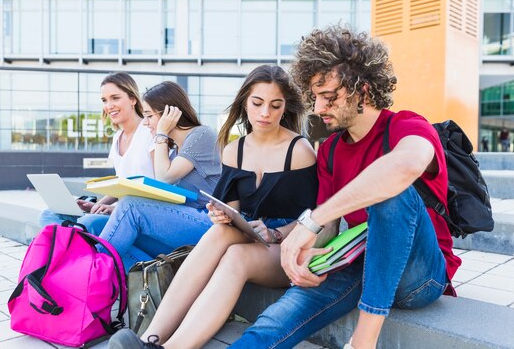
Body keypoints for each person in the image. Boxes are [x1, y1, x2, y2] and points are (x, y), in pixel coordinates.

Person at [226, 25, 462, 349]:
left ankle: (362, 343)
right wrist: (307, 255)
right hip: (358, 260)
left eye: (329, 97)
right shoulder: (331, 150)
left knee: (391, 191)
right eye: (315, 97)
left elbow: (405, 166)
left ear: (362, 90)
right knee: (276, 319)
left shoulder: (407, 126)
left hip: (419, 275)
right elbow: (331, 227)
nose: (319, 108)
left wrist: (313, 221)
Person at [108, 65, 322, 349]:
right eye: (257, 103)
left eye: (275, 105)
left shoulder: (299, 151)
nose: (264, 113)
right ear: (245, 102)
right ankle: (150, 339)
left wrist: (275, 234)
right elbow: (230, 209)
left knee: (236, 257)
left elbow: (313, 220)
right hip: (250, 234)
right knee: (221, 233)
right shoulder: (235, 149)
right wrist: (219, 214)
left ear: (285, 108)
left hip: (287, 247)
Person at [98, 81, 221, 270]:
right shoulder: (174, 149)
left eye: (148, 116)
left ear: (169, 114)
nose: (145, 123)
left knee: (130, 206)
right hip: (185, 223)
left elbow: (165, 177)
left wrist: (162, 132)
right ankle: (131, 287)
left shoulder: (201, 135)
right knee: (103, 227)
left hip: (209, 223)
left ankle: (90, 272)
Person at [38, 72, 154, 235]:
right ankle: (73, 244)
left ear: (133, 99)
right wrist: (97, 205)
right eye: (104, 100)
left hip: (138, 214)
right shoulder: (117, 138)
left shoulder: (149, 132)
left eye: (115, 98)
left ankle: (72, 246)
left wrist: (113, 209)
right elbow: (123, 183)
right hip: (119, 209)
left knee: (89, 222)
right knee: (48, 215)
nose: (109, 105)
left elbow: (157, 186)